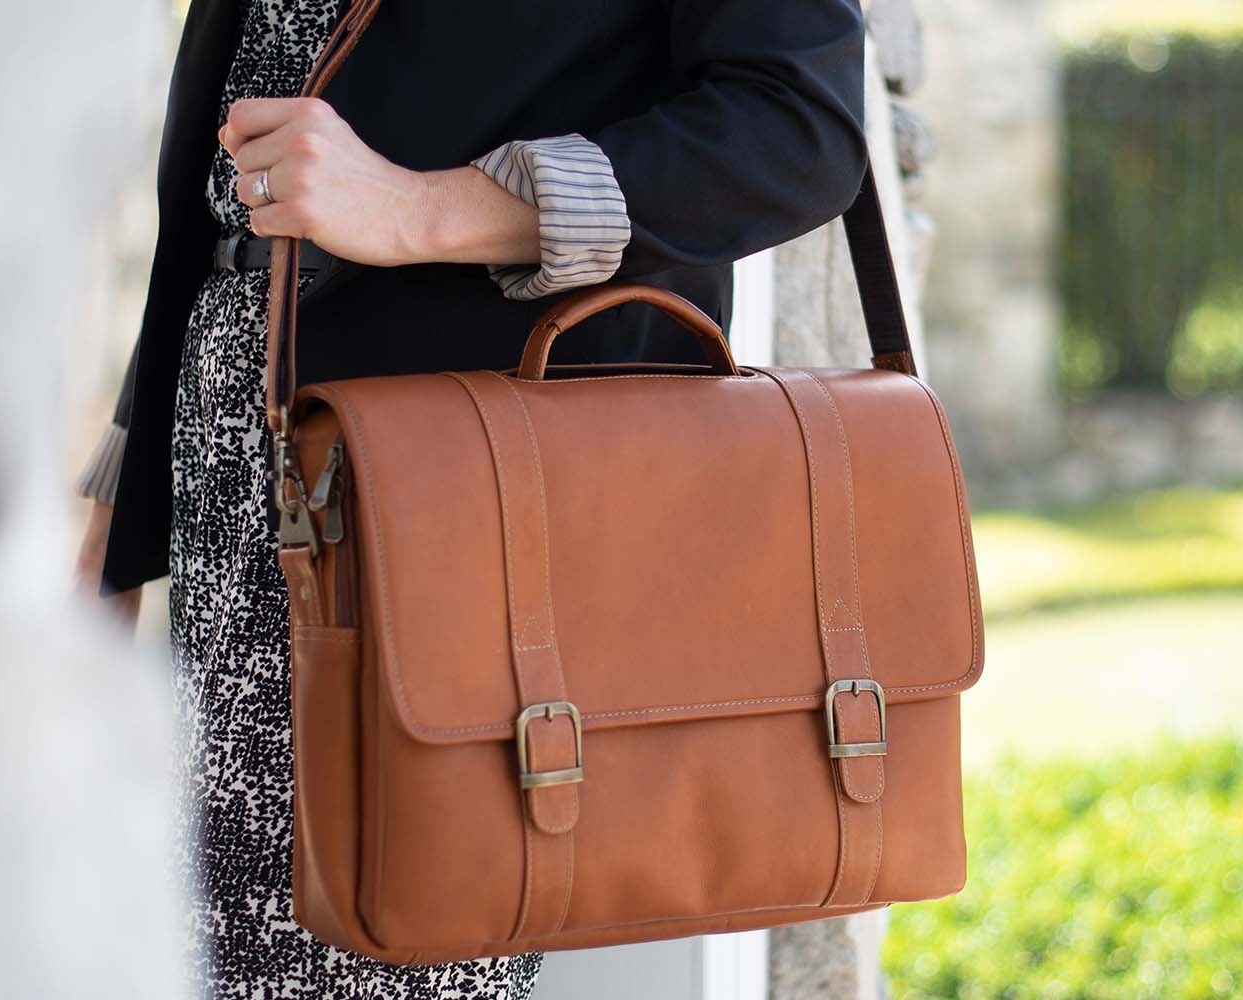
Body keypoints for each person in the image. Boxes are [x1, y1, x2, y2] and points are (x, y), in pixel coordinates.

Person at [72, 0, 871, 995]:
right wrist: (125, 490)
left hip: (450, 503)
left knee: (374, 953)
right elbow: (240, 144)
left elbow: (797, 128)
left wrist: (420, 207)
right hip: (238, 462)